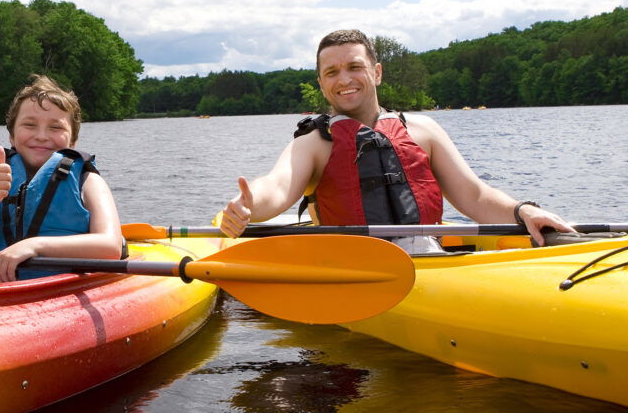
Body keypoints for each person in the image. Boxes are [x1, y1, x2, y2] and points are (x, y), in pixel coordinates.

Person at [220, 29, 572, 249]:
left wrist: (523, 210)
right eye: (332, 72)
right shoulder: (314, 142)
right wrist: (249, 206)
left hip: (428, 258)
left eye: (354, 67)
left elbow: (474, 195)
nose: (344, 79)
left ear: (376, 72)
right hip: (357, 268)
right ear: (322, 83)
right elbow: (278, 187)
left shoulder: (424, 131)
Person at [0, 75, 124, 283]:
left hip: (62, 292)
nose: (41, 135)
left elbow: (111, 246)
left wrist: (34, 245)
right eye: (29, 125)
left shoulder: (88, 181)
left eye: (56, 128)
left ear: (73, 140)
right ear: (12, 136)